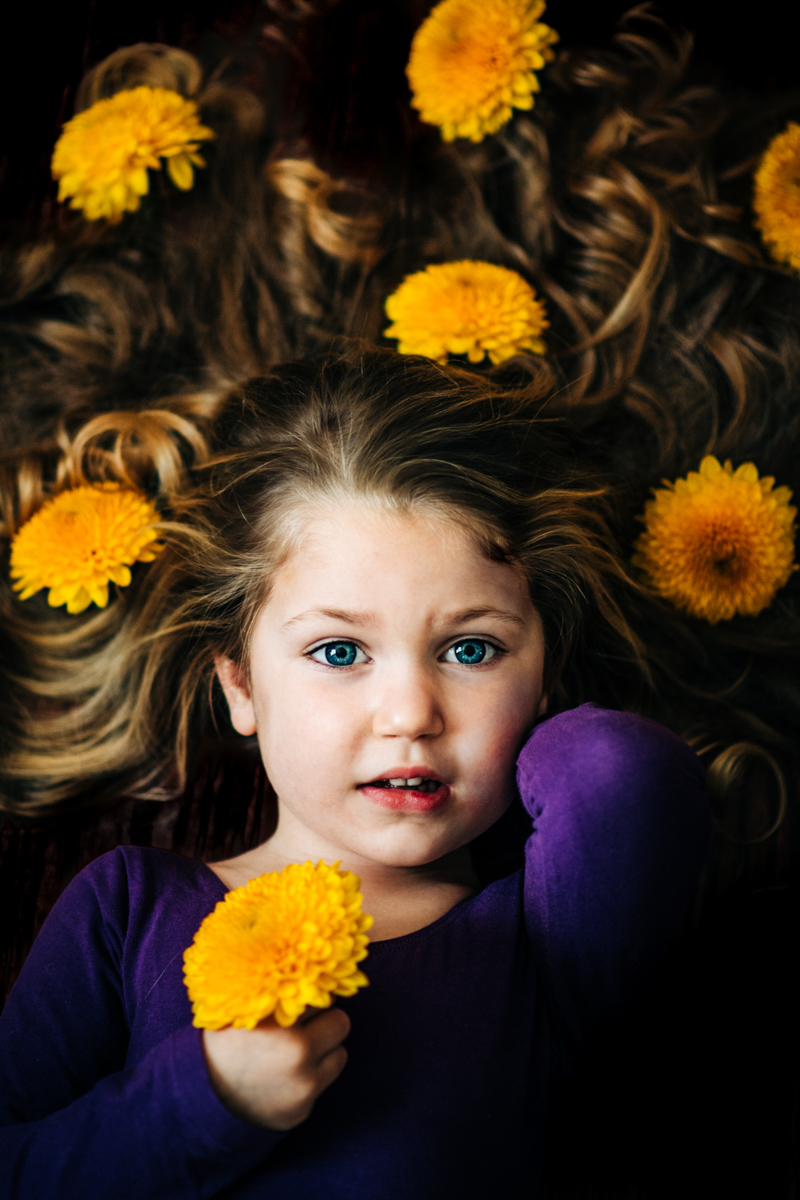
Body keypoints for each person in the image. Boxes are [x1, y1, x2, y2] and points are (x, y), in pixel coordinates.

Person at [0, 350, 709, 1198]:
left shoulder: (552, 941)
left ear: (544, 677)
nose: (410, 713)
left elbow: (622, 772)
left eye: (471, 649)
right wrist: (204, 1099)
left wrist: (525, 727)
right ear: (240, 685)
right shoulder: (128, 910)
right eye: (339, 652)